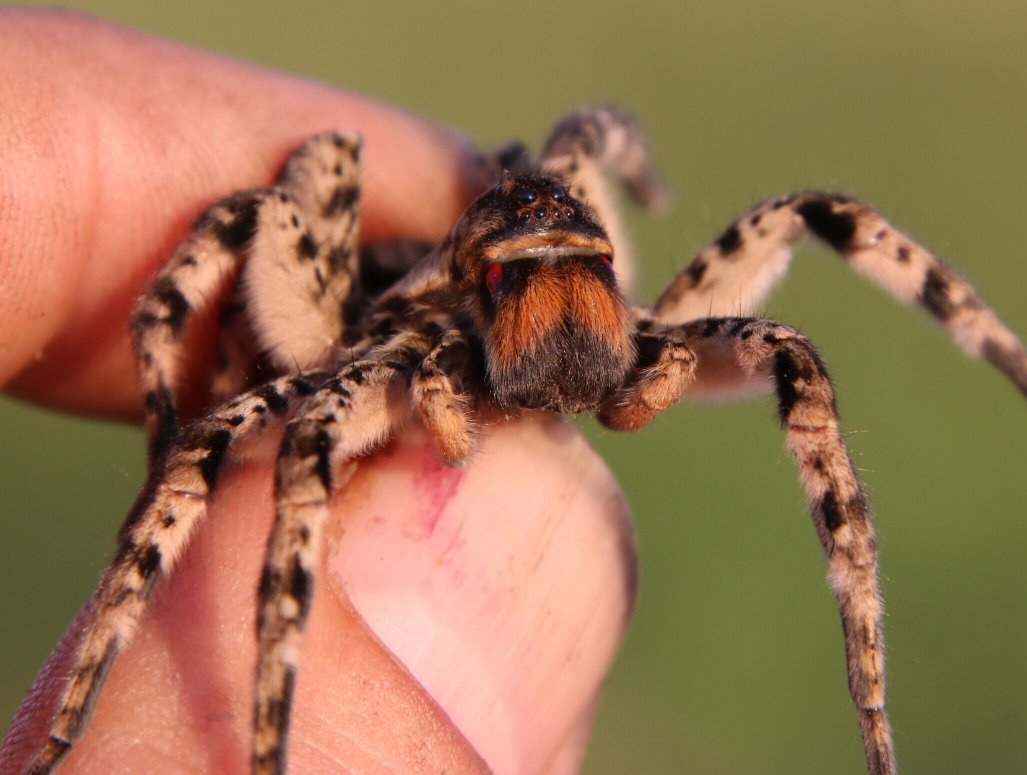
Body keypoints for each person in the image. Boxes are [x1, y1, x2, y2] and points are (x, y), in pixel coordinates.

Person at [0, 9, 636, 774]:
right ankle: (231, 742)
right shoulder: (392, 337)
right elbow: (172, 303)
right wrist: (166, 433)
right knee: (246, 431)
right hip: (360, 338)